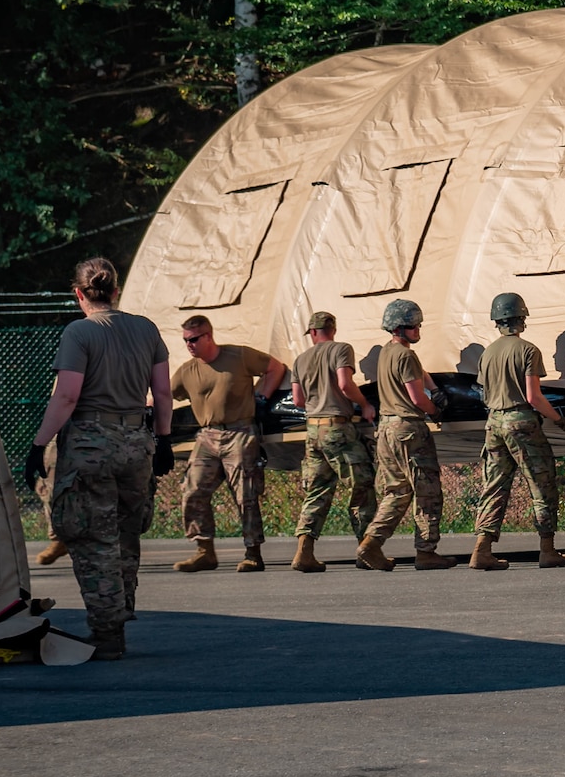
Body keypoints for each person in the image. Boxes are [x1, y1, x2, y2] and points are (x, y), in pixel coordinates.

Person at [22, 257, 173, 659]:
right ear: (116, 290)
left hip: (91, 445)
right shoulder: (146, 329)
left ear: (79, 294)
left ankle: (108, 636)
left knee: (94, 540)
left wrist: (39, 445)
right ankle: (120, 616)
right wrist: (163, 440)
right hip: (136, 443)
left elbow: (68, 396)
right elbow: (162, 393)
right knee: (126, 536)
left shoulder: (80, 332)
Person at [169, 314, 285, 573]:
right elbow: (166, 394)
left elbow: (276, 367)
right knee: (193, 490)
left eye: (194, 339)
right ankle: (204, 551)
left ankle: (253, 553)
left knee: (246, 494)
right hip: (208, 435)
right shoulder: (188, 370)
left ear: (208, 336)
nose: (189, 345)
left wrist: (262, 396)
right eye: (186, 340)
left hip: (239, 432)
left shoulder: (238, 356)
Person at [475, 292, 565, 569]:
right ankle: (547, 549)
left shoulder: (487, 353)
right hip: (522, 422)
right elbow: (534, 396)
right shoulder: (528, 351)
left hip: (494, 423)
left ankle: (482, 548)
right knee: (541, 483)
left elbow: (484, 393)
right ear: (522, 319)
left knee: (494, 486)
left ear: (497, 320)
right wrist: (558, 419)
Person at [359, 299, 452, 571]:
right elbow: (416, 396)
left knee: (397, 491)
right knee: (427, 491)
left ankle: (371, 542)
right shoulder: (406, 355)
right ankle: (426, 551)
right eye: (415, 324)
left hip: (386, 429)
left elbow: (417, 375)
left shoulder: (387, 353)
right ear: (402, 328)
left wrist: (431, 385)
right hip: (409, 430)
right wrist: (435, 409)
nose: (419, 328)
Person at [289, 311, 377, 574]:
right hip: (337, 429)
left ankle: (304, 550)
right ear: (333, 329)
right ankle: (367, 550)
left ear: (313, 333)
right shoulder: (342, 349)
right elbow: (344, 382)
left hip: (313, 431)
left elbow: (297, 401)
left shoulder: (301, 359)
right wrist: (364, 404)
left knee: (317, 491)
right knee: (360, 487)